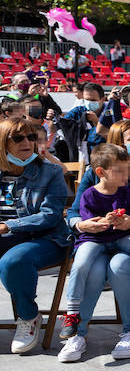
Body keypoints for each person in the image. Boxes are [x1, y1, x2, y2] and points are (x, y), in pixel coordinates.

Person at [57, 143, 130, 351]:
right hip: (97, 238)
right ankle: (77, 330)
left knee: (120, 266)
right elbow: (76, 211)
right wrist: (83, 224)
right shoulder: (94, 176)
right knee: (92, 269)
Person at [0, 118, 70, 354]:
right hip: (6, 238)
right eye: (18, 138)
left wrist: (8, 225)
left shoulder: (50, 172)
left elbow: (50, 216)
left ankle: (28, 317)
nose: (27, 142)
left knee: (14, 260)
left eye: (31, 137)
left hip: (44, 238)